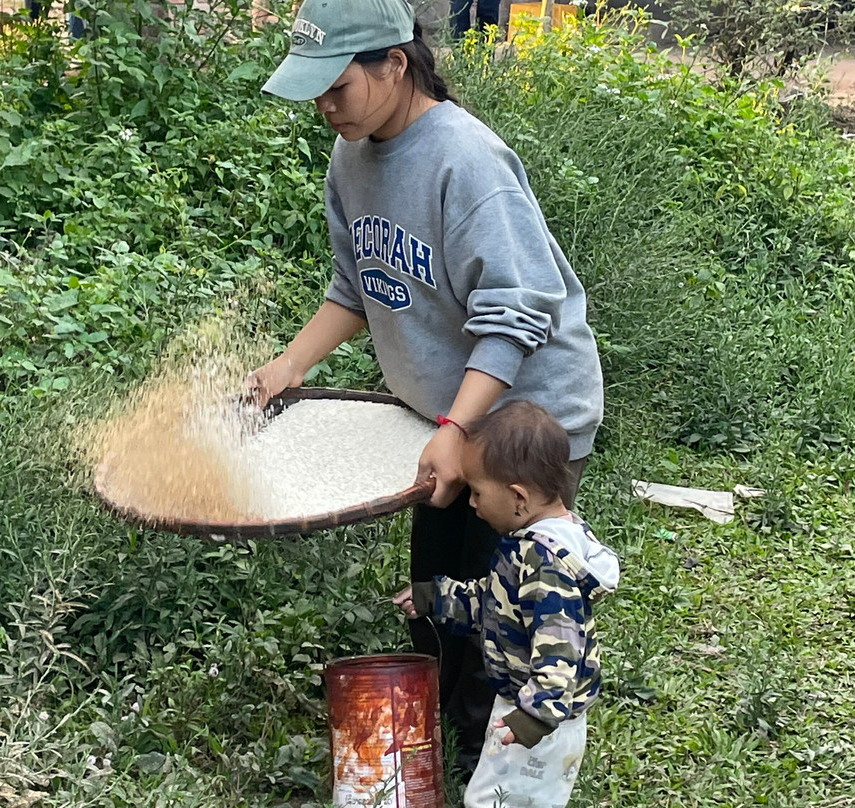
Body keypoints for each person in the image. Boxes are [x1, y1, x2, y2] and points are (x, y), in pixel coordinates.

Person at [253, 0, 604, 774]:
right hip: (450, 423)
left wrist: (455, 428)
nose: (326, 107)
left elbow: (516, 315)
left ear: (395, 64)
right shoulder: (351, 159)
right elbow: (356, 286)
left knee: (511, 608)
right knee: (437, 594)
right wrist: (288, 365)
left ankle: (504, 762)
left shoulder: (466, 162)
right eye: (315, 92)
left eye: (337, 87)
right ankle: (443, 741)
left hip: (523, 425)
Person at [394, 401, 620, 807]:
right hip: (528, 703)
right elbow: (495, 602)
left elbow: (560, 646)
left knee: (492, 801)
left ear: (518, 497)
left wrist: (536, 715)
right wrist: (436, 598)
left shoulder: (546, 565)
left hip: (541, 716)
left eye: (478, 492)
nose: (472, 503)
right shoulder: (530, 545)